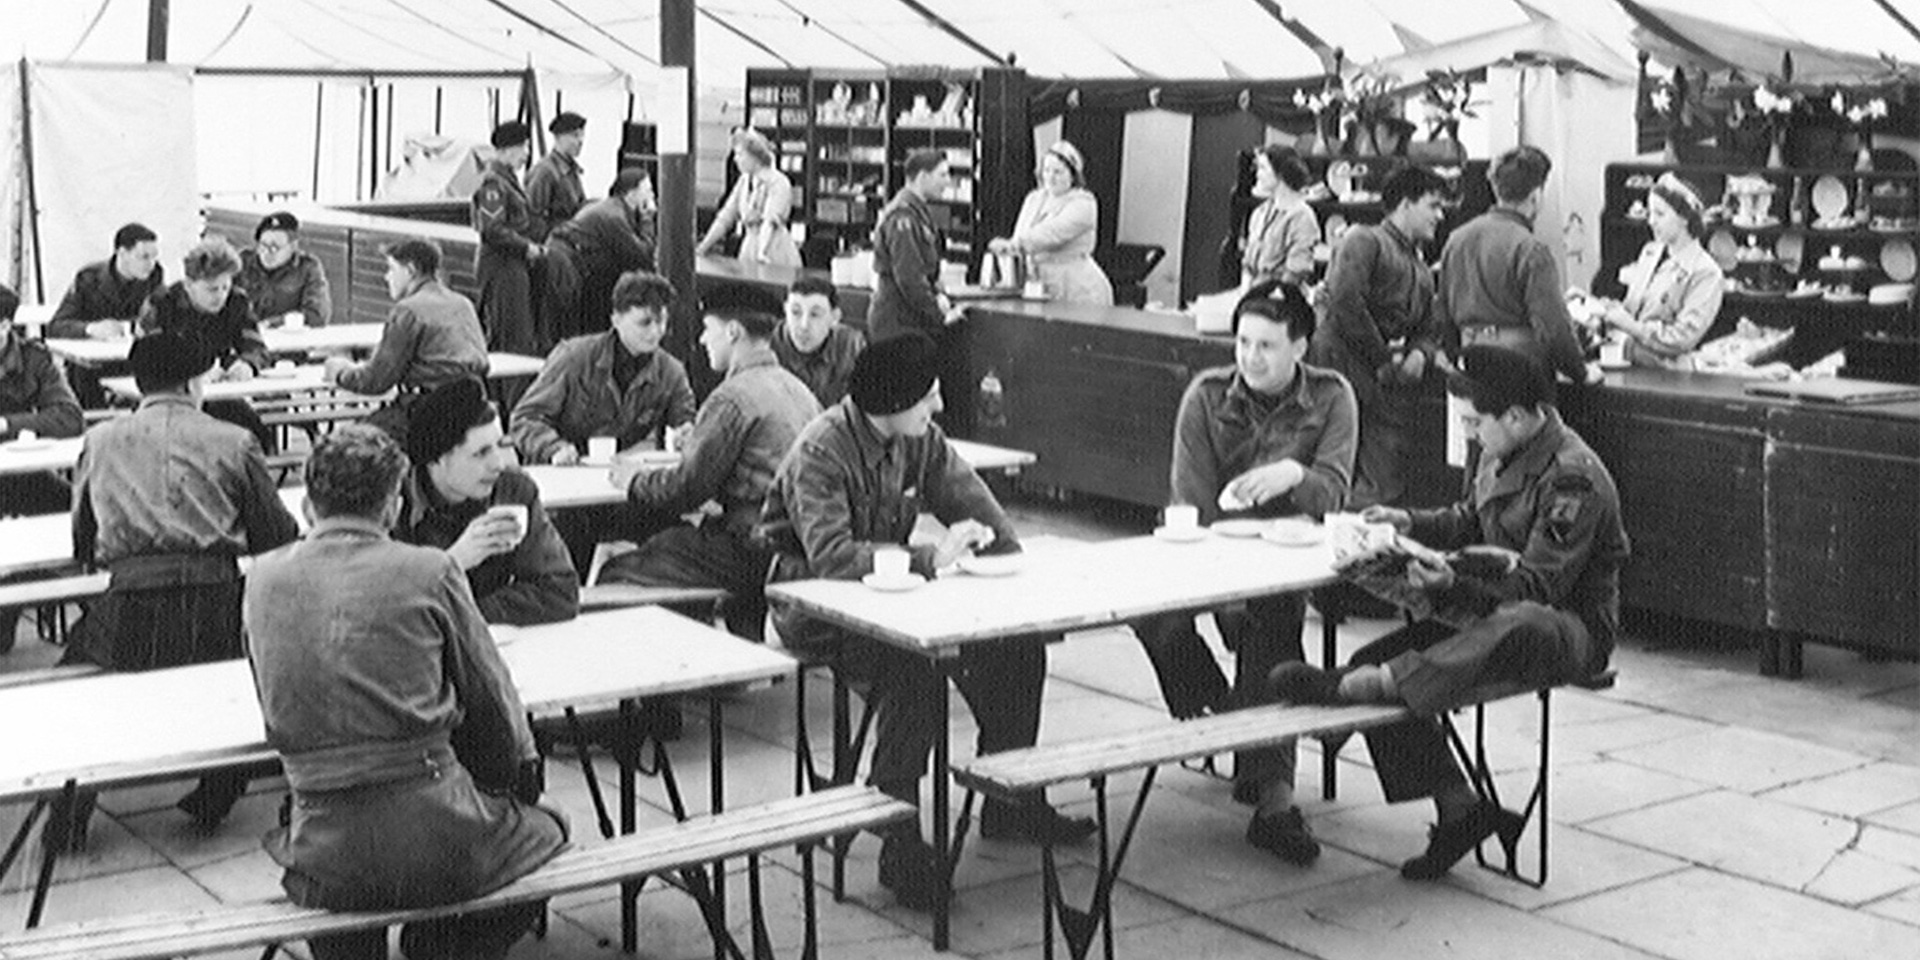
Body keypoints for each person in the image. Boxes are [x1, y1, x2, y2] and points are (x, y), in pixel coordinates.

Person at [759, 332, 1093, 911]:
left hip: (893, 597)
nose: (937, 406)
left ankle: (1008, 798)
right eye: (928, 396)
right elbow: (831, 556)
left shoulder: (921, 440)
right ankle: (899, 837)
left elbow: (981, 511)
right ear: (889, 402)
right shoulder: (822, 450)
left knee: (1017, 649)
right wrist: (928, 558)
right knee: (915, 675)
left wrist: (1004, 556)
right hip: (814, 606)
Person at [1270, 346, 1627, 881]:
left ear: (1516, 415)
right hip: (1490, 610)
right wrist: (1406, 524)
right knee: (1375, 655)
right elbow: (1468, 519)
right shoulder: (1499, 446)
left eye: (1475, 422)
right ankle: (1461, 809)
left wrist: (1454, 583)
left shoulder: (1574, 478)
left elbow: (1540, 586)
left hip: (1567, 626)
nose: (1471, 434)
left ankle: (1371, 685)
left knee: (1520, 619)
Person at [246, 424, 566, 960]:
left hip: (322, 846)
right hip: (433, 833)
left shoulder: (260, 579)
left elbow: (272, 693)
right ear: (393, 507)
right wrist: (518, 779)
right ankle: (443, 947)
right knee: (552, 827)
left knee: (355, 869)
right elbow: (491, 696)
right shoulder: (429, 569)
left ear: (306, 507)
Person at [1128, 282, 1356, 865]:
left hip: (1289, 558)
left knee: (1272, 623)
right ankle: (1231, 720)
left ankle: (1274, 802)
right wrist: (1222, 588)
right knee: (1150, 614)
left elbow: (1333, 490)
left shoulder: (1332, 397)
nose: (1251, 358)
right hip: (1209, 551)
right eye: (1244, 342)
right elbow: (1191, 500)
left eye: (1268, 346)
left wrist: (1291, 477)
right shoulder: (1206, 397)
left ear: (1301, 347)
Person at [52, 332, 300, 850]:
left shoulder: (100, 442)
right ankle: (217, 792)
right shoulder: (233, 441)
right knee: (251, 685)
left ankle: (68, 815)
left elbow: (82, 538)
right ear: (193, 383)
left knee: (77, 699)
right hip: (215, 601)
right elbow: (275, 533)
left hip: (129, 605)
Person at [600, 292, 821, 640]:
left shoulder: (732, 397)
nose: (703, 339)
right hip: (798, 547)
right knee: (674, 546)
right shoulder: (799, 390)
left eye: (707, 328)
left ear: (732, 331)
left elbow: (686, 490)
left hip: (749, 548)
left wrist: (634, 481)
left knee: (619, 572)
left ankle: (665, 686)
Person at [507, 270, 696, 574]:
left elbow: (685, 419)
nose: (655, 332)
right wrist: (554, 448)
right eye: (645, 322)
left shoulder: (670, 371)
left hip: (615, 485)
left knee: (671, 530)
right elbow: (524, 418)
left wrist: (687, 433)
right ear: (616, 319)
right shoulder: (575, 357)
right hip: (564, 489)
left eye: (662, 321)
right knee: (569, 551)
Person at [1309, 165, 1449, 508]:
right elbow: (1345, 304)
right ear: (1404, 204)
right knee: (1333, 471)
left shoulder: (1420, 268)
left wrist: (1420, 354)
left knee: (1381, 483)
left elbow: (1428, 328)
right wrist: (1384, 359)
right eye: (1432, 205)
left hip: (1384, 384)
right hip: (1341, 371)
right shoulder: (1364, 240)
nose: (1440, 215)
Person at [396, 378, 579, 625]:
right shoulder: (392, 504)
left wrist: (471, 617)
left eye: (500, 446)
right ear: (436, 459)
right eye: (481, 453)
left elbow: (560, 592)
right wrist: (454, 562)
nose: (498, 464)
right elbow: (387, 609)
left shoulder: (511, 490)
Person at [1434, 146, 1599, 386]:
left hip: (1469, 368)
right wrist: (1581, 372)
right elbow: (1553, 329)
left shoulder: (1457, 240)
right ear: (1536, 196)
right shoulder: (1531, 251)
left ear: (1496, 189)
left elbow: (1443, 315)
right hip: (1522, 374)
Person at [323, 238, 489, 445]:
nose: (386, 277)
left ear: (410, 270)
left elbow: (375, 381)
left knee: (350, 445)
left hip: (427, 412)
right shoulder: (463, 304)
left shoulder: (408, 311)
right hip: (473, 406)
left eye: (391, 269)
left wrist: (339, 371)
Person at [0, 282, 85, 651]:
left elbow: (69, 417)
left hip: (24, 474)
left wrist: (8, 425)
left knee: (84, 512)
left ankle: (94, 603)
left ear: (5, 326)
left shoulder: (34, 358)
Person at [139, 238, 275, 451]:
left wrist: (246, 363)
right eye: (212, 289)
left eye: (225, 287)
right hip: (171, 397)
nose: (220, 296)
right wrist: (190, 372)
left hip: (217, 395)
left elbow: (255, 345)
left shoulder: (236, 301)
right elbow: (149, 357)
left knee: (257, 436)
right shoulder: (162, 303)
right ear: (189, 284)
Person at [869, 147, 970, 431]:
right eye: (942, 175)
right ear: (922, 176)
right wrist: (940, 317)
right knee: (904, 406)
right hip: (898, 323)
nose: (947, 181)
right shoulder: (903, 216)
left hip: (907, 320)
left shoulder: (917, 212)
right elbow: (910, 279)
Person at [1599, 174, 1723, 369]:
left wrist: (1631, 327)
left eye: (1659, 214)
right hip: (1629, 361)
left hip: (1669, 375)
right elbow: (1633, 310)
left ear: (1684, 218)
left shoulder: (1706, 272)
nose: (1651, 221)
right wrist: (1605, 309)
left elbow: (1682, 339)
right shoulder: (1651, 252)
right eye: (1650, 213)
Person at [988, 141, 1113, 305]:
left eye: (1058, 172)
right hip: (1037, 285)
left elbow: (1052, 233)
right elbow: (1020, 233)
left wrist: (1015, 244)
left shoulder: (1084, 203)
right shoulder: (1034, 199)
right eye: (1046, 170)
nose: (1050, 177)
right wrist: (1008, 248)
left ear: (1073, 175)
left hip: (1076, 289)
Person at [545, 167, 658, 341]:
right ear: (632, 194)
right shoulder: (614, 217)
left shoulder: (610, 208)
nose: (652, 196)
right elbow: (641, 257)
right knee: (571, 325)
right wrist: (647, 218)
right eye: (648, 191)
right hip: (566, 262)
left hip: (569, 258)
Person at [473, 120, 547, 355]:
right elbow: (491, 229)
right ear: (505, 150)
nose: (526, 154)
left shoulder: (507, 180)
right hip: (502, 267)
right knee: (510, 336)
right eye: (522, 147)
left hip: (511, 265)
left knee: (516, 333)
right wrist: (526, 247)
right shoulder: (493, 184)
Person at [695, 128, 799, 266]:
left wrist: (762, 251)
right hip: (749, 245)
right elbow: (726, 217)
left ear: (755, 157)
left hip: (774, 248)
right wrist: (703, 247)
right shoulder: (744, 181)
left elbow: (770, 221)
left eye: (740, 154)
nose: (736, 159)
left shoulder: (779, 182)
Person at [47, 222, 165, 341]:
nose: (151, 264)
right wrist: (91, 329)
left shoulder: (154, 276)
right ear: (122, 253)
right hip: (91, 353)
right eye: (144, 257)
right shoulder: (89, 278)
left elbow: (160, 319)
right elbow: (56, 327)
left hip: (131, 353)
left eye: (154, 257)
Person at [772, 276, 865, 407]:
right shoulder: (768, 343)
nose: (804, 326)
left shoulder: (851, 346)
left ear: (835, 317)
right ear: (785, 310)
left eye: (815, 315)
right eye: (795, 313)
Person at [237, 210, 333, 328]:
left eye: (274, 247)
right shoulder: (243, 261)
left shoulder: (307, 268)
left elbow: (317, 315)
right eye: (262, 245)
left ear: (293, 246)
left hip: (289, 342)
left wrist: (274, 323)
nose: (266, 253)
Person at [1241, 145, 1320, 289]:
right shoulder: (1259, 213)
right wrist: (1243, 297)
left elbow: (1294, 275)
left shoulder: (1302, 216)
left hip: (1281, 300)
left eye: (1263, 168)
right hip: (1253, 296)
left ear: (1280, 174)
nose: (1258, 175)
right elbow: (1247, 266)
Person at [526, 111, 588, 240]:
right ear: (558, 138)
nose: (580, 141)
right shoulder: (545, 171)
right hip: (553, 245)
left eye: (582, 136)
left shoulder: (571, 170)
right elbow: (533, 216)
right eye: (574, 136)